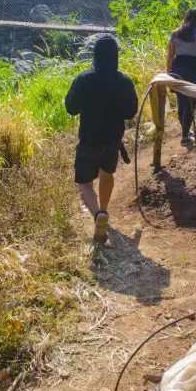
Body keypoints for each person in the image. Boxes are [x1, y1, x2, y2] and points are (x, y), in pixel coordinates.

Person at [65, 35, 139, 244]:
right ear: (115, 56)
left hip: (89, 140)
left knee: (84, 184)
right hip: (112, 141)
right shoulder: (124, 81)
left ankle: (98, 215)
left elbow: (70, 108)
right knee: (107, 174)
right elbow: (130, 112)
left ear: (95, 55)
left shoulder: (84, 79)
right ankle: (104, 211)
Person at [167, 8, 196, 144]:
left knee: (181, 101)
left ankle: (185, 131)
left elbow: (170, 56)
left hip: (177, 68)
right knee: (191, 103)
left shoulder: (175, 34)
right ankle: (185, 137)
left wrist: (168, 73)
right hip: (193, 69)